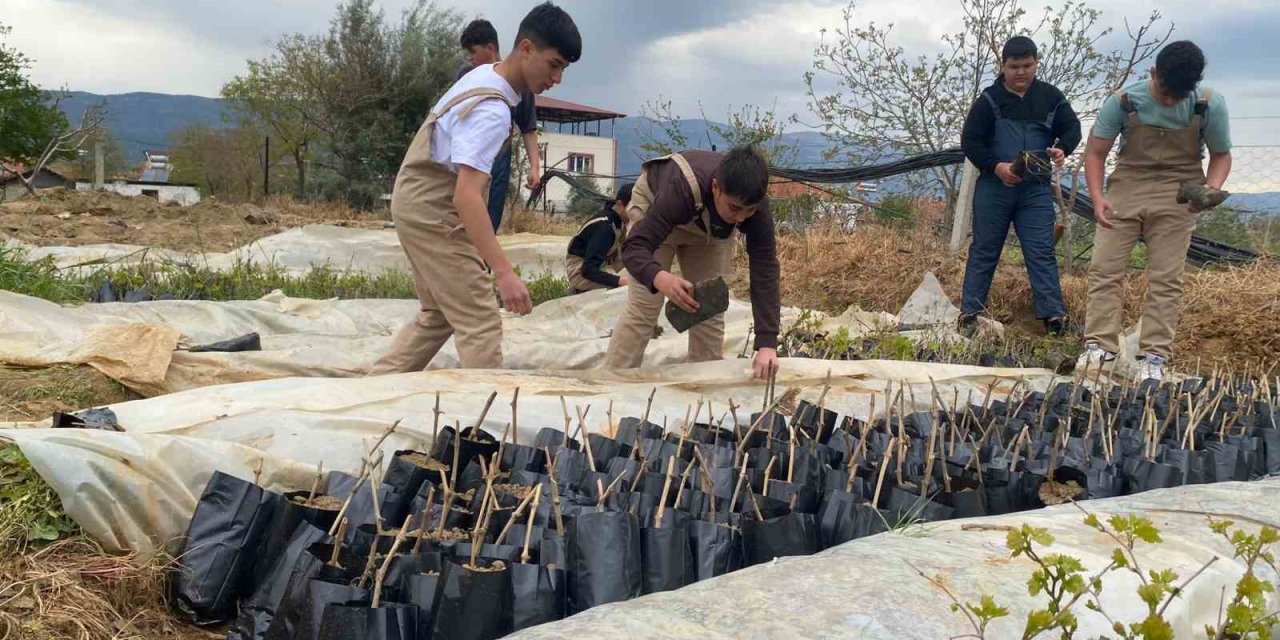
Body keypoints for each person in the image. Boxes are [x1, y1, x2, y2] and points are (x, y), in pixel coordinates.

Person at [369, 3, 580, 374]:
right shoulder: (493, 111)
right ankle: (478, 426)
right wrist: (504, 273)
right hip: (432, 209)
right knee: (480, 321)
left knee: (439, 315)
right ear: (526, 48)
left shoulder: (483, 75)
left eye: (564, 69)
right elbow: (466, 195)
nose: (557, 78)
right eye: (554, 64)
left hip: (415, 198)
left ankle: (372, 387)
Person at [1077, 41, 1232, 381]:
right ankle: (1099, 347)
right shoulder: (1123, 101)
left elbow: (1221, 155)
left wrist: (1211, 189)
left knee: (1167, 277)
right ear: (1153, 73)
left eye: (1178, 95)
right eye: (1165, 91)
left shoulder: (1209, 105)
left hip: (1179, 192)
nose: (1170, 100)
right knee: (1105, 268)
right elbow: (1096, 153)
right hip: (1127, 186)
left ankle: (1154, 356)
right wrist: (1097, 196)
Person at [603, 146, 781, 380]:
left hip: (704, 227)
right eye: (735, 208)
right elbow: (634, 248)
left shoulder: (753, 205)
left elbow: (765, 267)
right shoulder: (680, 189)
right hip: (655, 209)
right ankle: (613, 385)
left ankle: (703, 389)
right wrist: (660, 277)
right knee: (645, 308)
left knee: (707, 308)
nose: (741, 218)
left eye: (749, 211)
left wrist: (767, 343)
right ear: (716, 187)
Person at [958, 36, 1081, 336]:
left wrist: (1062, 147)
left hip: (1035, 189)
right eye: (1014, 66)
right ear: (1003, 66)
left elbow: (1072, 128)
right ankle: (969, 314)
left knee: (1040, 250)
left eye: (1027, 65)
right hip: (994, 186)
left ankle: (1053, 317)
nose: (1021, 72)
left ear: (1036, 63)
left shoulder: (1051, 97)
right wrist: (995, 166)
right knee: (985, 249)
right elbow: (970, 141)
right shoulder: (989, 99)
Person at [457, 18, 543, 232]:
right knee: (460, 210)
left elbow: (528, 129)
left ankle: (484, 262)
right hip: (466, 153)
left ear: (491, 48)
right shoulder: (466, 75)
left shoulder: (520, 84)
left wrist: (534, 168)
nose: (470, 58)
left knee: (490, 215)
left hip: (499, 157)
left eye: (473, 52)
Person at [565, 182, 632, 294]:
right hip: (580, 270)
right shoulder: (604, 228)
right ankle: (578, 290)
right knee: (623, 290)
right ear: (620, 204)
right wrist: (620, 281)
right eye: (633, 209)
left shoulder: (618, 220)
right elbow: (588, 270)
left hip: (600, 264)